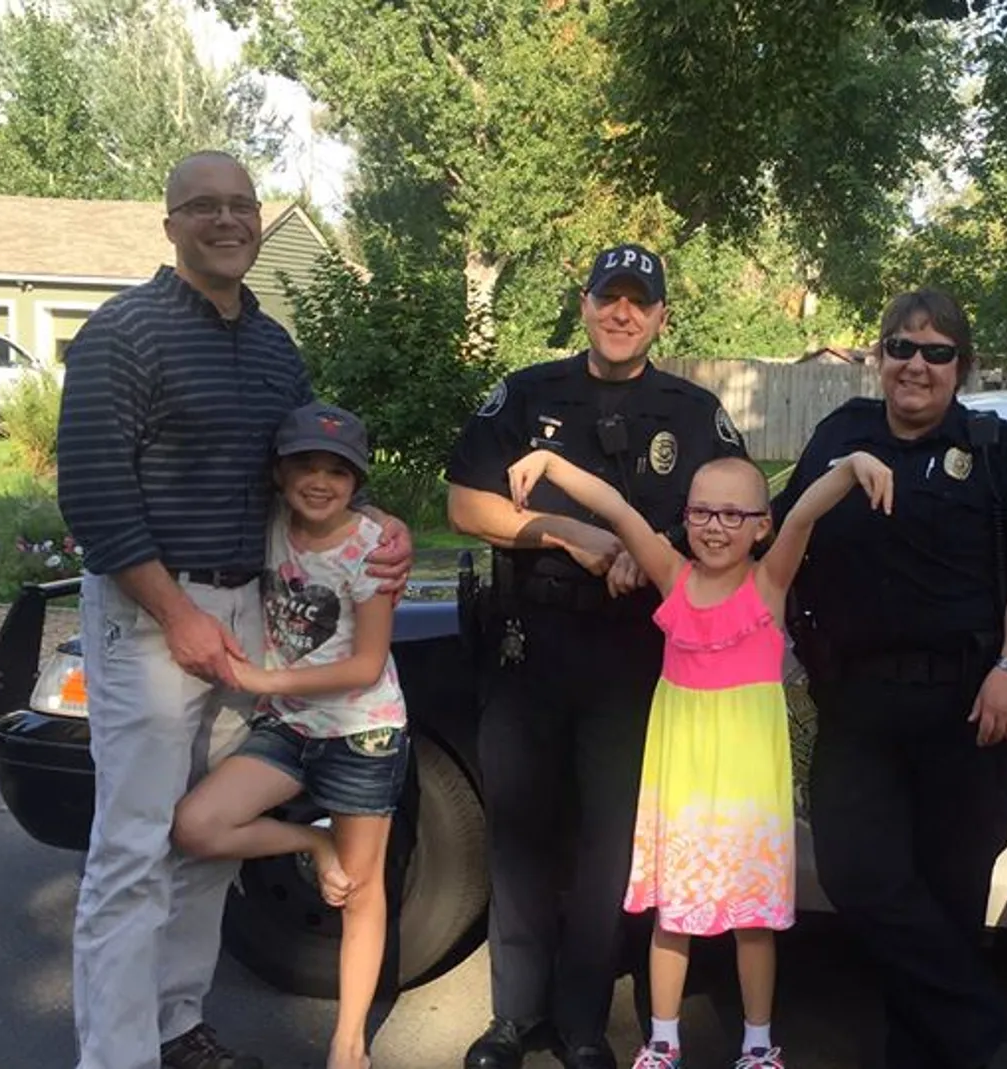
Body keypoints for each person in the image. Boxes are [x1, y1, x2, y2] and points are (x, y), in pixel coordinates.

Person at [57, 150, 412, 1069]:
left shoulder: (272, 348)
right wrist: (175, 612)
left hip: (250, 614)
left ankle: (178, 1026)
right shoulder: (122, 335)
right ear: (169, 222)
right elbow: (95, 495)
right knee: (131, 852)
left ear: (259, 218)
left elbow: (306, 474)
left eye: (241, 205)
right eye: (203, 206)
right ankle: (118, 1053)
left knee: (203, 845)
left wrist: (380, 523)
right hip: (151, 617)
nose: (227, 221)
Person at [446, 243, 749, 1069]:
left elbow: (733, 512)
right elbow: (465, 502)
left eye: (638, 302)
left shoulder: (691, 411)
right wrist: (569, 531)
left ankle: (582, 1021)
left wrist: (645, 548)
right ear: (583, 305)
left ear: (659, 317)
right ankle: (513, 1016)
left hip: (631, 652)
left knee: (607, 842)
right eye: (608, 298)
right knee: (519, 830)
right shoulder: (528, 393)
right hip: (528, 641)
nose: (622, 313)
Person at [504, 446, 894, 1069]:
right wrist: (550, 461)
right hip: (681, 773)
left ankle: (759, 1046)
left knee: (753, 919)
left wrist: (851, 467)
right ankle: (662, 1040)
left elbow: (804, 516)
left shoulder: (769, 584)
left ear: (760, 525)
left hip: (745, 781)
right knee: (672, 912)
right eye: (702, 512)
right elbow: (615, 508)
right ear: (685, 517)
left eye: (734, 515)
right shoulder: (671, 576)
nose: (716, 527)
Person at [773, 288, 1007, 1069]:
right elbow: (780, 523)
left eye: (936, 352)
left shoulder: (1000, 448)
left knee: (948, 899)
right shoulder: (839, 432)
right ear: (879, 355)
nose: (916, 365)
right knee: (857, 875)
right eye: (901, 347)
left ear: (961, 366)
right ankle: (993, 1028)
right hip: (857, 702)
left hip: (972, 707)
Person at [171, 401, 408, 1069]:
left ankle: (348, 1045)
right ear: (279, 472)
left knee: (361, 890)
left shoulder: (370, 548)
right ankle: (313, 837)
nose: (320, 480)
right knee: (196, 825)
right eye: (306, 463)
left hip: (363, 732)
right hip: (291, 727)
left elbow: (365, 665)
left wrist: (260, 681)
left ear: (357, 482)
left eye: (338, 469)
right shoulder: (271, 524)